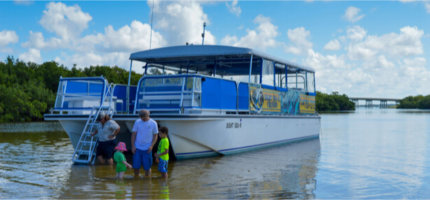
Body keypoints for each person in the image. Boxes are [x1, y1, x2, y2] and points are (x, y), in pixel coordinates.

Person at [131, 110, 158, 177]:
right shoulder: (137, 122)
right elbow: (134, 134)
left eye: (144, 117)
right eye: (141, 117)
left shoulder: (153, 123)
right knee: (136, 167)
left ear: (148, 115)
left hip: (147, 148)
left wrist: (151, 146)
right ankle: (136, 181)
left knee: (147, 168)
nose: (143, 118)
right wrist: (133, 146)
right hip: (137, 148)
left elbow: (155, 135)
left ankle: (147, 183)